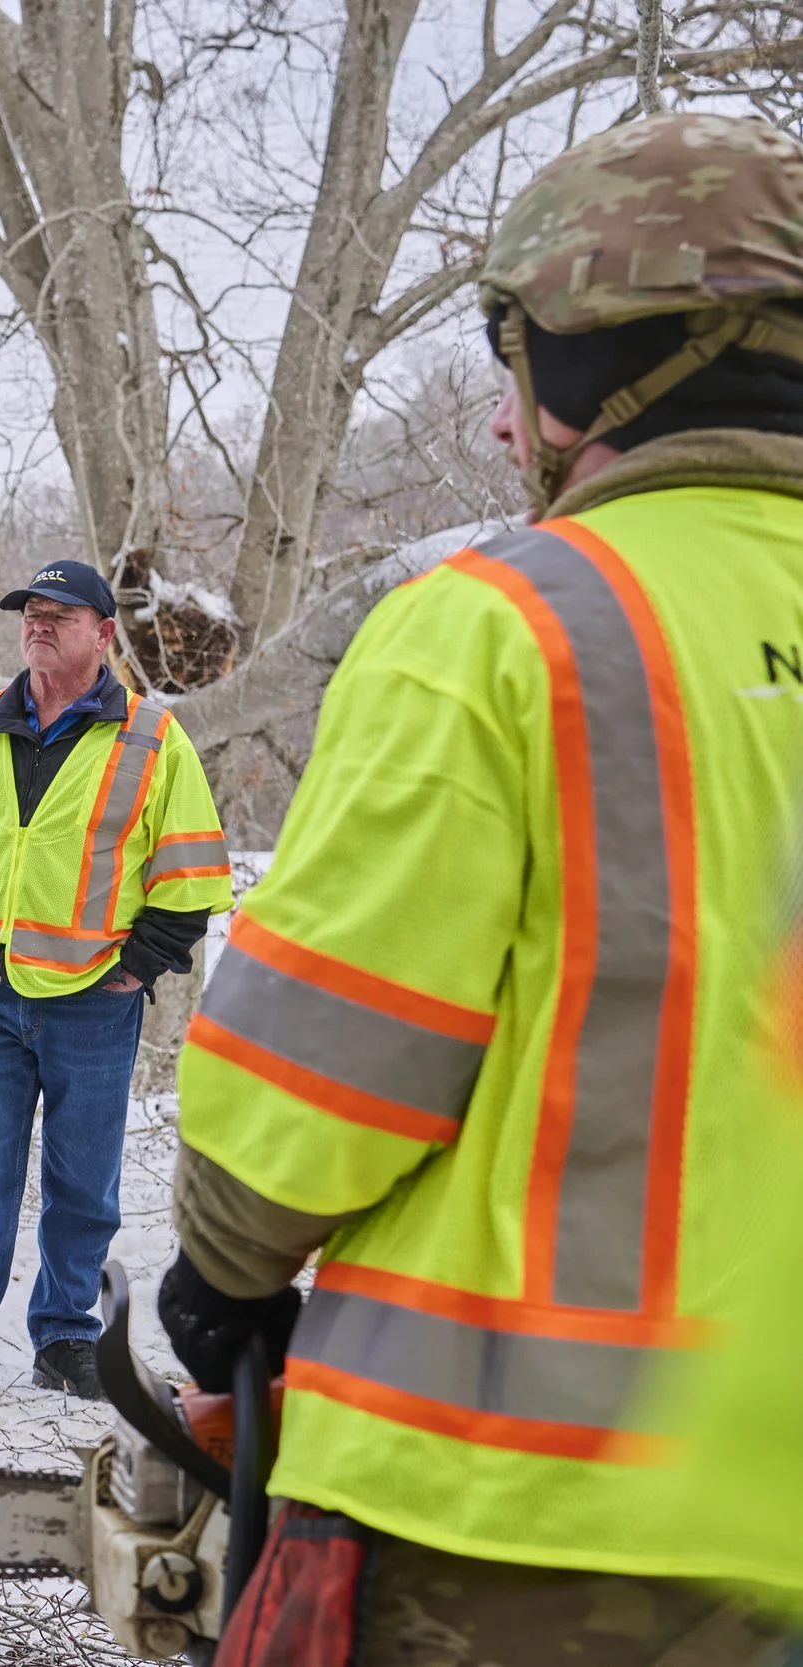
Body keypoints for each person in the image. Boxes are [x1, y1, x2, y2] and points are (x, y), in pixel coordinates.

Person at [159, 112, 803, 1664]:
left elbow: (317, 1066)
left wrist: (223, 1268)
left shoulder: (516, 628)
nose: (512, 434)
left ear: (582, 368)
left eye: (519, 373)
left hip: (518, 1529)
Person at [0, 559, 232, 1403]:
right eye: (31, 612)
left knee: (83, 1176)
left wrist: (139, 965)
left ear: (104, 634)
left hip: (92, 1000)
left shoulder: (153, 737)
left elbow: (191, 878)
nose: (38, 624)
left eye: (60, 614)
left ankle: (67, 1337)